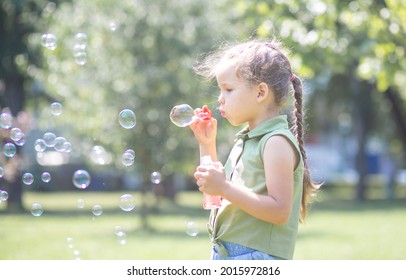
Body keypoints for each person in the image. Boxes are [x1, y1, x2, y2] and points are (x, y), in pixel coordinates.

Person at [190, 39, 320, 260]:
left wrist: (225, 188)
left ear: (260, 92)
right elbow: (214, 197)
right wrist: (206, 143)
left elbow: (279, 212)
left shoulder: (275, 142)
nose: (219, 99)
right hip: (227, 253)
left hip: (255, 258)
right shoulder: (247, 141)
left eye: (228, 89)